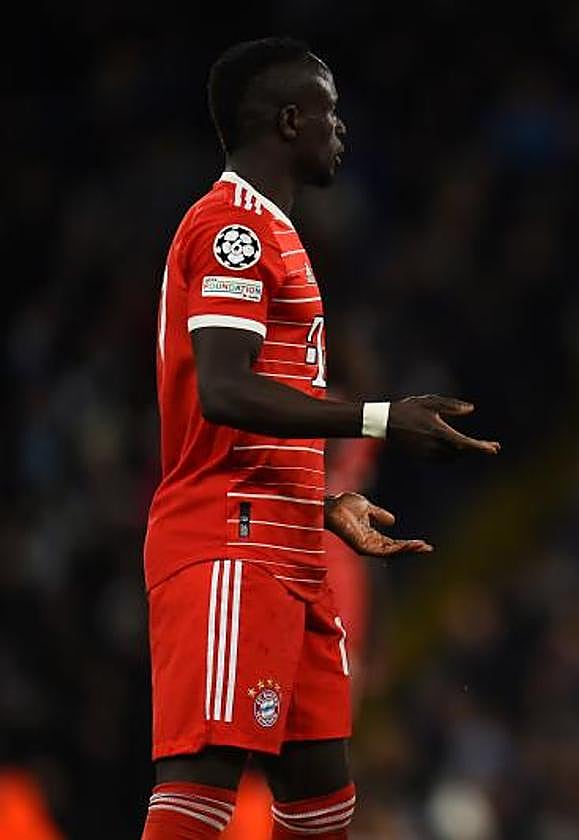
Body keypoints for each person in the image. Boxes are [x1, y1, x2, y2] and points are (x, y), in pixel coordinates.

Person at [141, 37, 500, 839]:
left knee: (322, 797)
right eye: (329, 113)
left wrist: (321, 500)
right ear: (288, 120)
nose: (340, 130)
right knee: (203, 783)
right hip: (228, 543)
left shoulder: (277, 234)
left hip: (290, 544)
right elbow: (224, 389)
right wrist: (380, 417)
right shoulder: (231, 228)